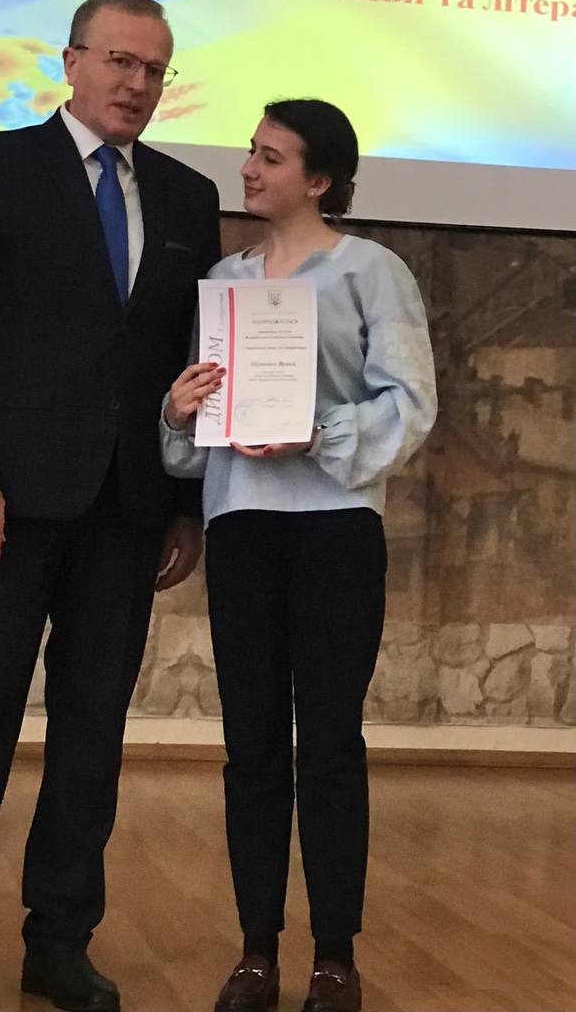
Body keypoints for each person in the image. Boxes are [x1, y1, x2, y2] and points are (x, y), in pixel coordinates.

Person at [0, 0, 221, 1012]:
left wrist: (185, 503)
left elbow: (189, 359)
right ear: (71, 61)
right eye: (120, 61)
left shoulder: (187, 196)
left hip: (128, 511)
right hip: (2, 504)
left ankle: (61, 939)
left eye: (154, 69)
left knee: (92, 734)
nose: (137, 83)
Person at [161, 98, 437, 1012]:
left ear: (319, 179)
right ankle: (254, 951)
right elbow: (196, 431)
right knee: (249, 747)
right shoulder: (223, 278)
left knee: (327, 744)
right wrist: (178, 411)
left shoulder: (371, 271)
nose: (248, 168)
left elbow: (410, 403)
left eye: (270, 156)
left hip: (333, 530)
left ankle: (333, 955)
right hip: (241, 524)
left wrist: (316, 432)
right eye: (250, 151)